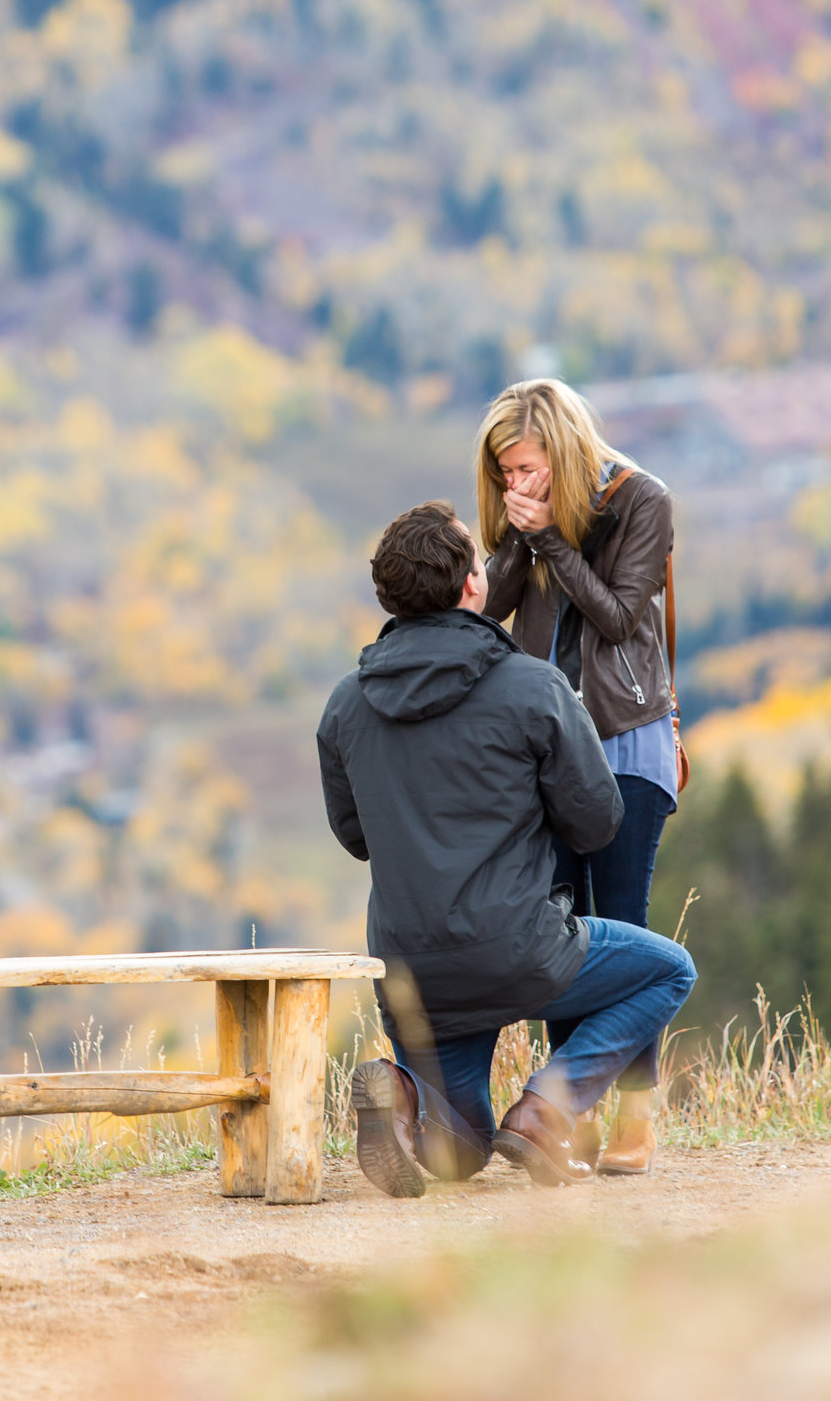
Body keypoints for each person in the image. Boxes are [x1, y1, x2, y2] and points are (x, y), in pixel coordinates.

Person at [318, 501, 696, 1196]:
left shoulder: (346, 705)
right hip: (520, 948)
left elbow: (355, 836)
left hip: (412, 972)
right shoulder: (532, 687)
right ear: (471, 586)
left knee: (458, 1150)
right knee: (668, 970)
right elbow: (598, 820)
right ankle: (547, 1107)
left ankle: (403, 1094)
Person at [476, 378, 680, 1175]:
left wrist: (553, 541)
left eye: (526, 467)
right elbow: (485, 606)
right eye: (503, 472)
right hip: (548, 745)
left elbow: (620, 615)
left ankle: (636, 1114)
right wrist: (518, 539)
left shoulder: (641, 500)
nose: (514, 485)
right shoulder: (526, 523)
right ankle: (567, 1106)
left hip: (627, 738)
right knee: (560, 935)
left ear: (560, 452)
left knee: (622, 923)